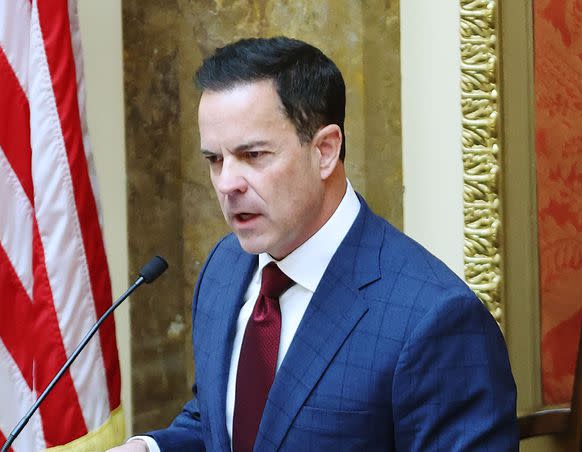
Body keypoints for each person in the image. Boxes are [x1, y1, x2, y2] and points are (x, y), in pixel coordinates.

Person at [110, 36, 518, 451]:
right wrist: (150, 448)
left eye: (253, 155)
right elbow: (219, 422)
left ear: (325, 150)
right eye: (214, 160)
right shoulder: (224, 266)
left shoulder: (435, 320)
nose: (227, 184)